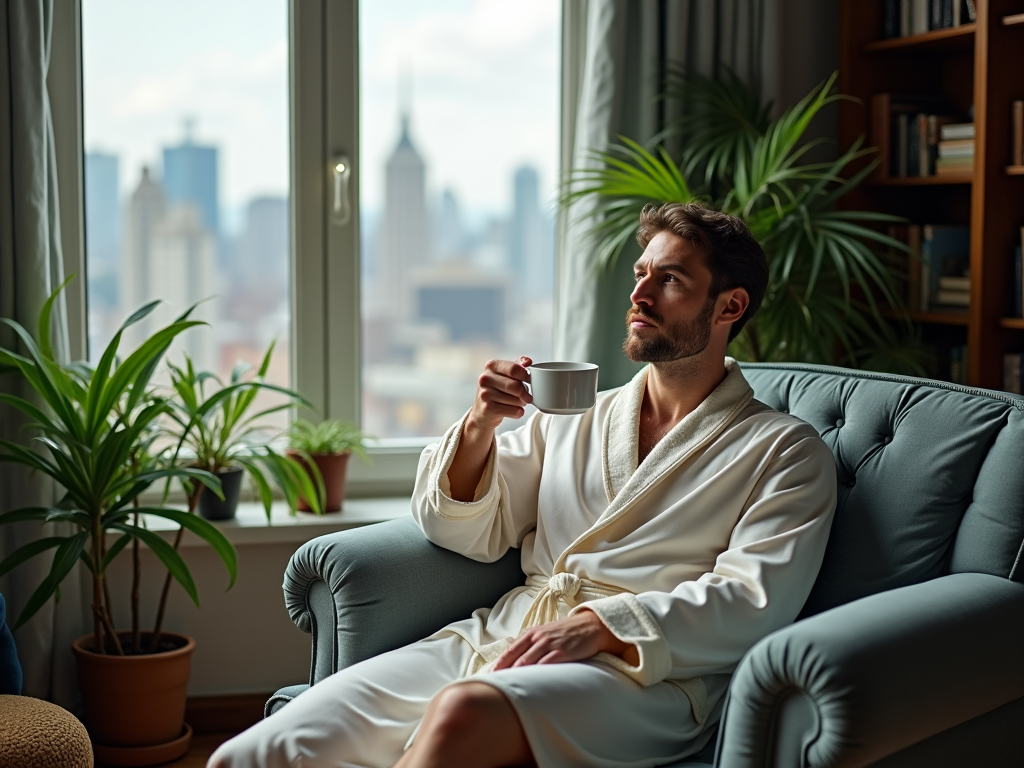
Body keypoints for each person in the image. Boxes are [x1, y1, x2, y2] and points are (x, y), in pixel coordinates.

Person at [210, 202, 837, 768]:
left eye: (669, 280)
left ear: (729, 306)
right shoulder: (580, 414)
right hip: (507, 634)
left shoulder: (784, 451)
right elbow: (468, 532)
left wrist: (601, 624)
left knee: (462, 714)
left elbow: (754, 598)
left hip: (641, 676)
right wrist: (482, 425)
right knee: (255, 752)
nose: (640, 294)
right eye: (641, 272)